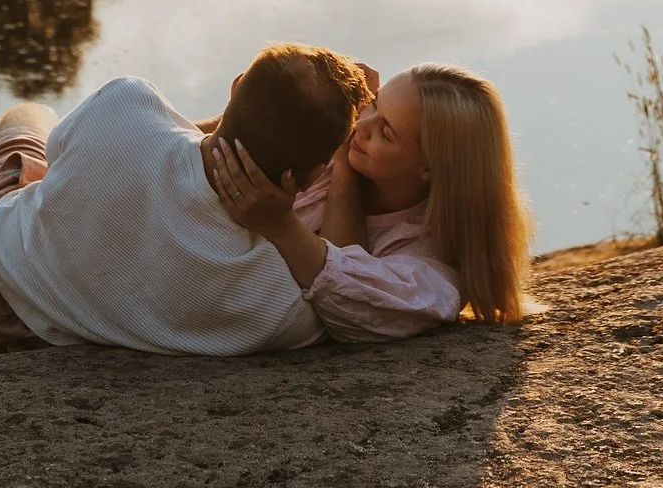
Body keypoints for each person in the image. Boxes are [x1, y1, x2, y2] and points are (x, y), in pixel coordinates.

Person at [0, 43, 370, 366]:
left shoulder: (126, 101)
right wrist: (344, 167)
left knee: (31, 117)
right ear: (311, 176)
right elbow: (343, 295)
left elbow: (58, 157)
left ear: (235, 86)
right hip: (45, 325)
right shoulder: (274, 301)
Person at [208, 63, 532, 339]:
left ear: (428, 169)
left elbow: (349, 304)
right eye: (374, 104)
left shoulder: (429, 270)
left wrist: (279, 223)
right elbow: (195, 145)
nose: (360, 125)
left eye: (386, 132)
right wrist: (248, 113)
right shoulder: (338, 144)